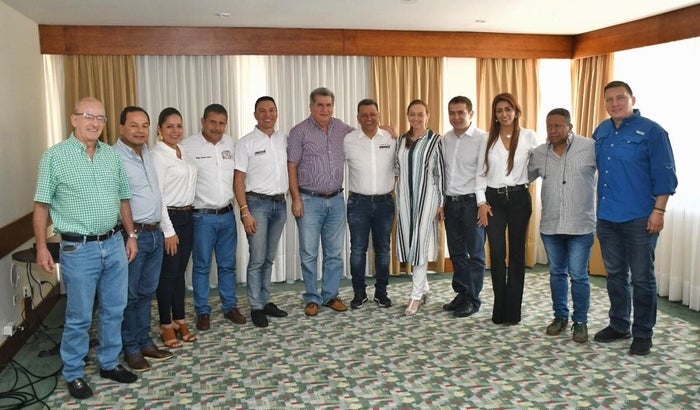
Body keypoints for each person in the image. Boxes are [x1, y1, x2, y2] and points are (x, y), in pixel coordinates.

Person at [33, 97, 138, 400]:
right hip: (78, 250)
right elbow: (41, 207)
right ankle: (73, 372)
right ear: (74, 119)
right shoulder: (55, 156)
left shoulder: (111, 156)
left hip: (114, 243)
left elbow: (123, 199)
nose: (95, 123)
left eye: (100, 118)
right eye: (88, 116)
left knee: (114, 309)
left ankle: (109, 362)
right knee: (79, 316)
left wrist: (131, 234)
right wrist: (41, 247)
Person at [592, 81, 677, 355]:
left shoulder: (652, 131)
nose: (615, 103)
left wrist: (659, 211)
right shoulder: (601, 131)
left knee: (641, 278)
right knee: (615, 275)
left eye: (621, 98)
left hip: (640, 217)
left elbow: (666, 176)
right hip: (607, 216)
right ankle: (619, 324)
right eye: (609, 99)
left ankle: (643, 333)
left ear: (632, 99)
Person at [528, 108, 596, 343]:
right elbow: (520, 177)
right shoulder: (539, 153)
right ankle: (560, 317)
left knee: (578, 275)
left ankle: (581, 321)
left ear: (570, 127)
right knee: (556, 273)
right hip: (551, 225)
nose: (553, 130)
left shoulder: (589, 147)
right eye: (549, 126)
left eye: (558, 125)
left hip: (580, 225)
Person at [115, 106, 173, 371]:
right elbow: (119, 199)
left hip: (154, 232)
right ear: (121, 128)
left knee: (147, 292)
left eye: (144, 125)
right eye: (134, 125)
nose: (140, 130)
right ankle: (131, 348)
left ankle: (144, 341)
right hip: (133, 235)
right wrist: (130, 234)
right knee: (130, 294)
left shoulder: (147, 153)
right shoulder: (114, 157)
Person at [287, 87, 353, 316]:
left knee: (334, 252)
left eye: (328, 105)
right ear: (311, 106)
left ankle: (330, 295)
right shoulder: (299, 132)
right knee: (309, 253)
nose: (325, 109)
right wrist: (296, 198)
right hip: (309, 200)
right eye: (320, 105)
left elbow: (364, 136)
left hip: (336, 200)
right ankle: (311, 297)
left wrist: (387, 130)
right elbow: (291, 166)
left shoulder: (341, 128)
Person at [181, 104, 245, 330]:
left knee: (228, 265)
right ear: (203, 121)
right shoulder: (187, 146)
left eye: (221, 123)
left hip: (227, 215)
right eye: (212, 122)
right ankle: (202, 311)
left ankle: (230, 306)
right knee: (201, 266)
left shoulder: (232, 144)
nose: (217, 127)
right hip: (202, 217)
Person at [477, 92, 537, 325]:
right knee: (497, 253)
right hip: (493, 201)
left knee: (517, 254)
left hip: (519, 199)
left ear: (516, 111)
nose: (504, 114)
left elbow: (539, 164)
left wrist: (525, 180)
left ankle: (513, 312)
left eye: (508, 109)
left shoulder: (529, 136)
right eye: (499, 110)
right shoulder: (487, 139)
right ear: (494, 114)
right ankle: (499, 308)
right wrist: (481, 202)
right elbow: (480, 174)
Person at [233, 96, 290, 327]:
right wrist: (244, 211)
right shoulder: (245, 143)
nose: (268, 114)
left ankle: (265, 301)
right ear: (255, 114)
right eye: (262, 110)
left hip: (280, 204)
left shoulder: (284, 140)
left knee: (268, 258)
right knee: (257, 258)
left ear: (277, 112)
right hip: (256, 205)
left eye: (272, 110)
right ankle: (256, 306)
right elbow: (238, 181)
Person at [151, 107, 198, 346]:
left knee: (180, 273)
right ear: (160, 129)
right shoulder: (157, 155)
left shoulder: (183, 151)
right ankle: (165, 323)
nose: (175, 130)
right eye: (169, 126)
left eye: (179, 125)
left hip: (188, 217)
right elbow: (157, 196)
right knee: (168, 275)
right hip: (169, 219)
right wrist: (168, 231)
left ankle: (180, 319)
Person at [344, 99, 396, 309]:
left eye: (373, 114)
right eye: (364, 115)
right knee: (357, 250)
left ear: (379, 115)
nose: (369, 118)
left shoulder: (391, 138)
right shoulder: (348, 140)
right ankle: (359, 293)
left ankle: (381, 292)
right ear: (358, 118)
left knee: (383, 250)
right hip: (358, 203)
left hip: (385, 203)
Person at [395, 99, 445, 316]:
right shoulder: (400, 140)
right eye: (412, 114)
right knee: (410, 242)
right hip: (405, 199)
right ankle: (423, 289)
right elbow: (396, 168)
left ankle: (415, 296)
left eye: (420, 114)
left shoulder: (436, 141)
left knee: (420, 244)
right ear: (407, 116)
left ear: (428, 116)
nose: (416, 118)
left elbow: (440, 173)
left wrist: (441, 203)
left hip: (428, 199)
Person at [441, 96, 488, 318]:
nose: (456, 117)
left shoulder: (482, 139)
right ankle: (462, 293)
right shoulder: (446, 139)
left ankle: (473, 299)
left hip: (472, 203)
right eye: (452, 112)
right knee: (457, 252)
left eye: (461, 112)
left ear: (471, 113)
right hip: (451, 203)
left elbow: (483, 173)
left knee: (475, 254)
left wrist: (481, 203)